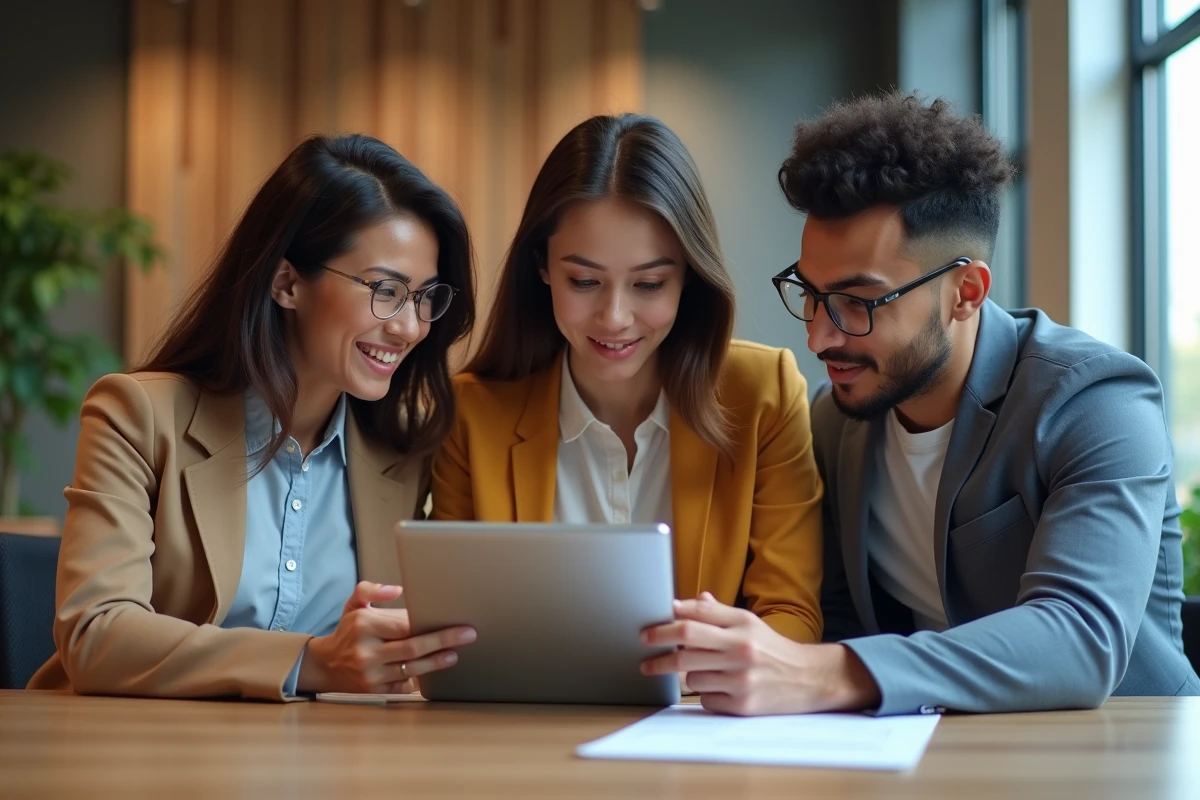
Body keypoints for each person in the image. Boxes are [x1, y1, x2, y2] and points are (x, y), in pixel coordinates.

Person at [641, 92, 1200, 715]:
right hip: (928, 754)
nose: (819, 335)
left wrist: (825, 671)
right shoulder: (834, 422)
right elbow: (842, 615)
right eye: (811, 293)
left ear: (966, 291)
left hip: (1126, 752)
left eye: (860, 302)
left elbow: (1080, 638)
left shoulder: (1096, 401)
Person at [28, 134, 479, 700]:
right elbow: (97, 636)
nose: (410, 327)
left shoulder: (407, 449)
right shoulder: (138, 414)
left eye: (424, 297)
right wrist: (310, 661)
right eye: (385, 290)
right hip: (142, 759)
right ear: (287, 282)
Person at [431, 114, 824, 643]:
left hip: (702, 718)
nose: (614, 317)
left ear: (690, 276)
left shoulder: (764, 395)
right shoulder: (471, 415)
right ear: (542, 266)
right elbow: (457, 626)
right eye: (585, 280)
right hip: (529, 721)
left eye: (650, 283)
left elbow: (790, 618)